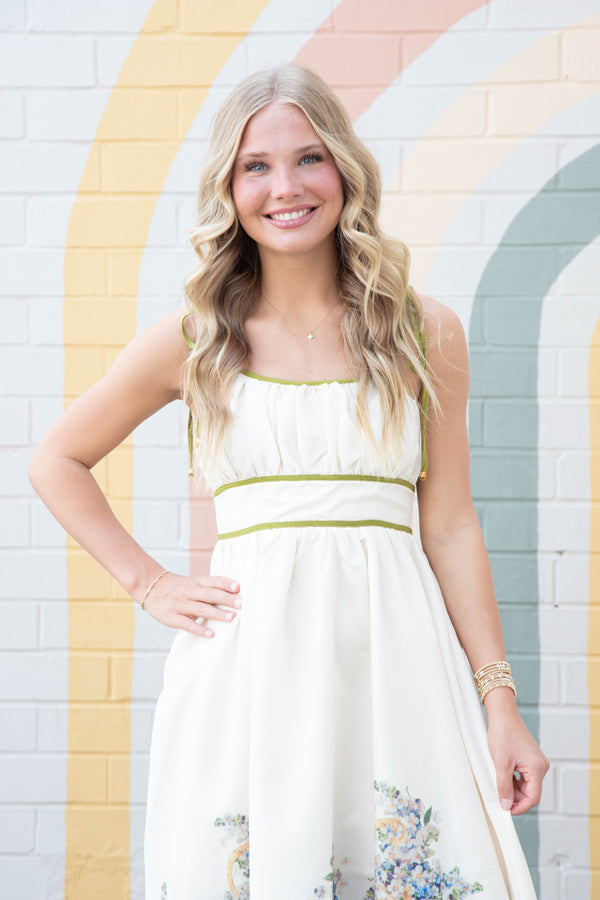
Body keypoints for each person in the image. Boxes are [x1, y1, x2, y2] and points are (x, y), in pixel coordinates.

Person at [29, 63, 549, 900]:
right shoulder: (195, 339)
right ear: (230, 188)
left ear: (345, 169)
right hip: (248, 673)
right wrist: (149, 583)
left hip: (399, 666)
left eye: (309, 158)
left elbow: (450, 525)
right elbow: (56, 458)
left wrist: (501, 704)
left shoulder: (424, 332)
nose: (286, 187)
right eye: (256, 167)